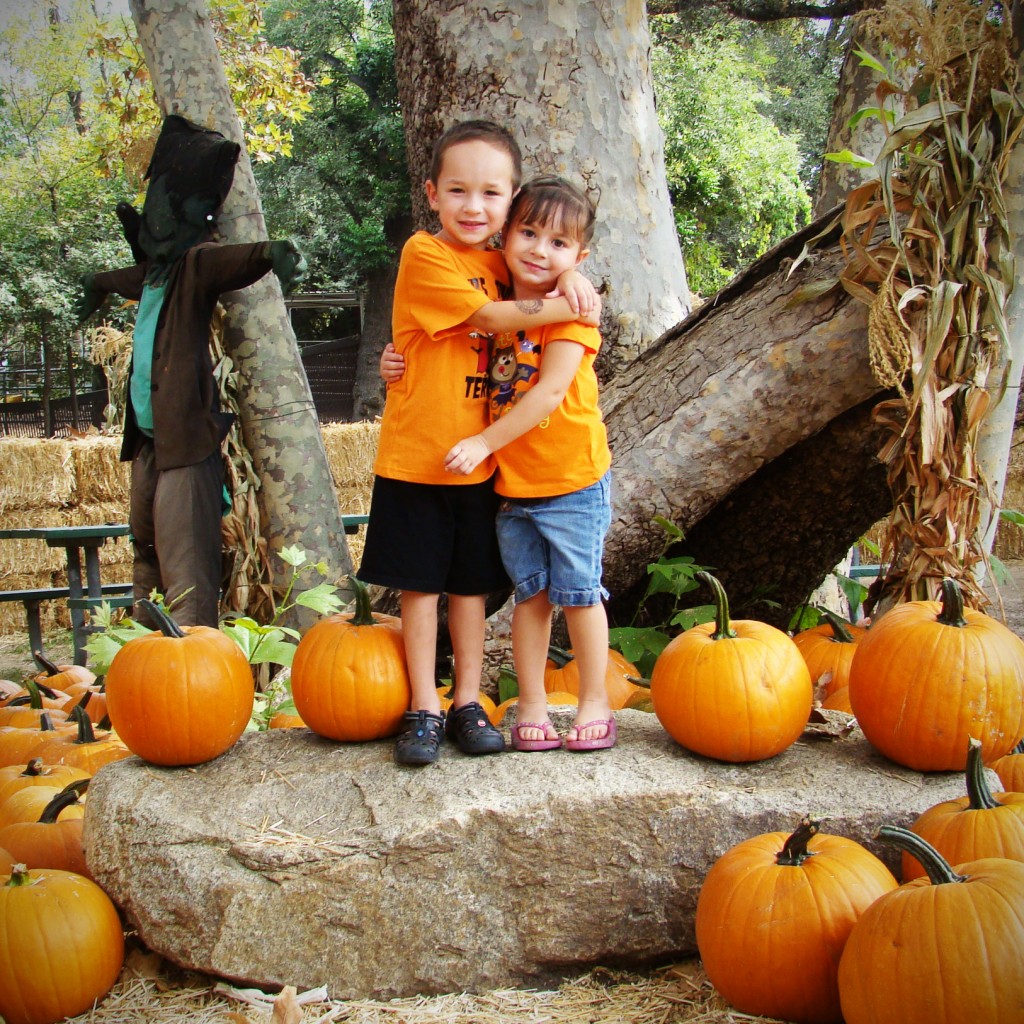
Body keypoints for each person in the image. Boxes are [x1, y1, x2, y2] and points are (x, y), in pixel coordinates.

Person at [360, 120, 599, 766]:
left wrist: (572, 280)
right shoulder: (425, 254)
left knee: (468, 588)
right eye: (458, 191)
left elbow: (542, 277)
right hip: (417, 458)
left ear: (511, 200)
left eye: (492, 195)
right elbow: (494, 319)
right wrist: (579, 302)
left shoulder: (505, 263)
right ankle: (423, 704)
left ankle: (467, 700)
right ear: (433, 193)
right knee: (419, 589)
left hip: (480, 465)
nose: (474, 207)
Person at [75, 114, 306, 628]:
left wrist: (272, 253)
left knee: (186, 565)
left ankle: (193, 652)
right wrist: (98, 281)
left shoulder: (194, 266)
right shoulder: (157, 273)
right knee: (145, 546)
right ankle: (142, 644)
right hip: (149, 442)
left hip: (186, 445)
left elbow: (230, 262)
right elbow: (130, 276)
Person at [443, 176, 614, 752]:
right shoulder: (491, 295)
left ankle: (595, 701)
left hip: (571, 481)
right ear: (506, 236)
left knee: (580, 594)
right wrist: (396, 358)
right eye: (529, 233)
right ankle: (534, 703)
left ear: (580, 256)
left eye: (559, 245)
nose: (540, 250)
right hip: (515, 488)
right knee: (531, 597)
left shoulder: (572, 316)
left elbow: (545, 395)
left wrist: (485, 443)